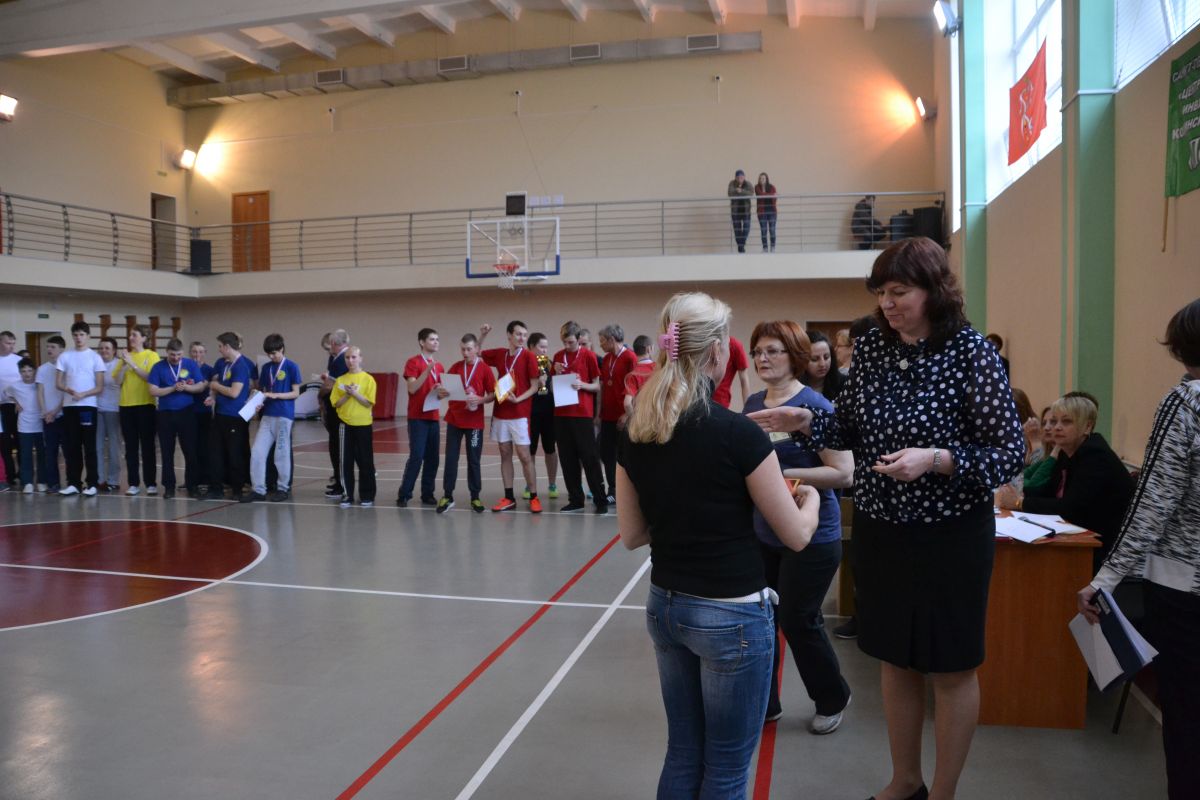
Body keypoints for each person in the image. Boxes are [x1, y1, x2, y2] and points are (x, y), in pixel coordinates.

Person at [747, 237, 1024, 800]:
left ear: (934, 289)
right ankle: (905, 780)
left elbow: (1007, 453)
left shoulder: (971, 352)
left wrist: (937, 459)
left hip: (950, 534)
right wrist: (804, 421)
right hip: (882, 527)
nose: (887, 303)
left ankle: (943, 792)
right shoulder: (873, 345)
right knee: (895, 660)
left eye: (899, 291)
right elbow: (848, 429)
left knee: (951, 667)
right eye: (880, 292)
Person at [617, 291, 821, 799]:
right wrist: (813, 500)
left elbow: (632, 534)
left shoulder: (636, 430)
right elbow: (796, 535)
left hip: (666, 605)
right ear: (715, 353)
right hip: (731, 613)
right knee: (727, 769)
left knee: (684, 752)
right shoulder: (737, 434)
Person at [1076, 298, 1200, 800]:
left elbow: (1155, 501)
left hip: (1185, 587)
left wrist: (1105, 579)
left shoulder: (1186, 402)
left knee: (1188, 717)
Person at [743, 320, 854, 732]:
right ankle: (766, 703)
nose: (763, 359)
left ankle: (833, 696)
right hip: (763, 532)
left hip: (813, 535)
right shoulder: (753, 402)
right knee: (761, 619)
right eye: (758, 352)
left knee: (797, 619)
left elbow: (843, 473)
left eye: (772, 351)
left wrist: (780, 477)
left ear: (794, 356)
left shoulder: (815, 406)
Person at [996, 393, 1135, 567]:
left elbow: (1070, 508)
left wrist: (1019, 502)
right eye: (1054, 421)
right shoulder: (1067, 451)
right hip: (1083, 536)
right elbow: (1046, 491)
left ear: (1087, 426)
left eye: (1066, 422)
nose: (1056, 427)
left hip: (1111, 549)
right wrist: (1016, 494)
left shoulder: (1095, 455)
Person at [479, 321, 543, 513]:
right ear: (509, 335)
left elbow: (535, 386)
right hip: (500, 412)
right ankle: (509, 497)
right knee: (505, 453)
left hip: (520, 413)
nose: (522, 338)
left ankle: (534, 496)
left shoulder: (529, 356)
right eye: (518, 334)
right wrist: (483, 335)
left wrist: (519, 400)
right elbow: (477, 352)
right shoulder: (500, 354)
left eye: (524, 334)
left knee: (524, 455)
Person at [436, 333, 496, 514]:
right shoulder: (455, 367)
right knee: (451, 459)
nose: (465, 353)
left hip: (474, 423)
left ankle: (475, 497)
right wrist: (441, 391)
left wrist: (480, 399)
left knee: (474, 460)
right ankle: (448, 495)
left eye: (469, 349)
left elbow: (493, 394)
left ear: (476, 349)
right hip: (454, 419)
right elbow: (442, 389)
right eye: (463, 349)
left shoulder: (485, 369)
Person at [553, 320, 606, 513]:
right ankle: (576, 499)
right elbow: (549, 385)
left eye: (571, 342)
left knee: (589, 457)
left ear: (578, 338)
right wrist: (555, 373)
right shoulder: (558, 356)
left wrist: (582, 385)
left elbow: (597, 385)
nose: (567, 346)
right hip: (561, 413)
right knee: (567, 458)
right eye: (564, 342)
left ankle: (600, 500)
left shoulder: (588, 356)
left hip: (582, 414)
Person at [146, 338, 206, 500]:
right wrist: (173, 388)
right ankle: (169, 487)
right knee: (167, 452)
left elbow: (201, 386)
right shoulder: (158, 367)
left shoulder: (190, 364)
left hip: (187, 412)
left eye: (179, 355)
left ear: (183, 353)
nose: (176, 358)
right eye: (172, 355)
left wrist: (187, 387)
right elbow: (153, 390)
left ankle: (192, 486)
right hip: (165, 414)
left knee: (190, 451)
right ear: (167, 352)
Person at [248, 333, 302, 502]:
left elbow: (296, 392)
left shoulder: (292, 366)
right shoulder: (266, 368)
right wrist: (257, 402)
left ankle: (283, 488)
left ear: (282, 349)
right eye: (269, 354)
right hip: (267, 416)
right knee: (257, 452)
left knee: (281, 454)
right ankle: (258, 489)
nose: (272, 357)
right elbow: (263, 390)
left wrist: (277, 395)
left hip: (284, 416)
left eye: (274, 353)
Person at [55, 321, 106, 496]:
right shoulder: (65, 357)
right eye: (76, 335)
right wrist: (68, 390)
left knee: (89, 446)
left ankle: (92, 483)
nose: (78, 338)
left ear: (88, 336)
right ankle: (74, 483)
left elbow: (100, 387)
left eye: (82, 334)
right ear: (72, 336)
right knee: (72, 446)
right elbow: (58, 383)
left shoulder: (95, 357)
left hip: (88, 407)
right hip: (70, 407)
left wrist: (83, 394)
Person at [397, 328, 444, 508]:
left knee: (433, 459)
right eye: (432, 339)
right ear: (422, 342)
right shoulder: (413, 362)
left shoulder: (439, 366)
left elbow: (437, 391)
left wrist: (441, 392)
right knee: (417, 456)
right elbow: (412, 388)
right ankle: (404, 494)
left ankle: (427, 493)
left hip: (433, 416)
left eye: (437, 339)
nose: (436, 342)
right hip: (417, 417)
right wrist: (427, 370)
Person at [206, 332, 254, 502]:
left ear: (227, 346)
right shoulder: (224, 364)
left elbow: (234, 392)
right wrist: (212, 396)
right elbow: (219, 385)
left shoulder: (241, 366)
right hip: (220, 414)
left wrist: (215, 386)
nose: (219, 350)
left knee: (235, 454)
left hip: (235, 416)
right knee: (216, 452)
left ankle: (237, 489)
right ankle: (216, 488)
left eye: (220, 346)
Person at [114, 325, 160, 495]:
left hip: (146, 405)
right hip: (126, 406)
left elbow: (151, 378)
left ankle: (151, 483)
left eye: (134, 335)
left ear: (144, 338)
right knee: (131, 447)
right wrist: (124, 365)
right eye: (131, 335)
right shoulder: (126, 356)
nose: (131, 338)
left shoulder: (151, 355)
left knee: (147, 446)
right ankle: (133, 483)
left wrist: (132, 364)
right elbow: (117, 381)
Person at [331, 346, 377, 508]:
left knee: (366, 461)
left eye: (354, 357)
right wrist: (347, 394)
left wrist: (355, 394)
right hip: (345, 425)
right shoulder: (340, 380)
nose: (350, 361)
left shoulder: (368, 379)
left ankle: (367, 495)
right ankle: (347, 494)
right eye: (347, 358)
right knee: (345, 461)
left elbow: (368, 403)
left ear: (360, 358)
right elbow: (336, 403)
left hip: (363, 424)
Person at [597, 324, 637, 503]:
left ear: (612, 339)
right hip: (607, 416)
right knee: (606, 453)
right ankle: (613, 489)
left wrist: (627, 414)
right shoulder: (606, 359)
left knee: (625, 455)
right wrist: (599, 412)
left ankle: (629, 490)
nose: (600, 345)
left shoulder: (630, 357)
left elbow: (636, 387)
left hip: (623, 416)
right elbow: (604, 386)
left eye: (602, 341)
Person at [525, 332, 558, 501]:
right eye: (541, 347)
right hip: (530, 413)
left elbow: (554, 389)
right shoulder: (523, 363)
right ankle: (530, 485)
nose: (545, 350)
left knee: (550, 449)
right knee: (529, 451)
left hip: (548, 413)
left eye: (546, 347)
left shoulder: (550, 364)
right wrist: (536, 383)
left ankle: (552, 484)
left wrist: (554, 380)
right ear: (531, 347)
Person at [3, 358, 43, 492]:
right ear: (20, 372)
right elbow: (6, 393)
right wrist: (16, 402)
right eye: (23, 371)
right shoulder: (15, 386)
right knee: (25, 455)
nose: (27, 374)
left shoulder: (39, 384)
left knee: (42, 454)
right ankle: (27, 482)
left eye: (29, 370)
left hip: (40, 423)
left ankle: (42, 481)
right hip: (24, 425)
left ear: (34, 371)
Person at [321, 329, 351, 499]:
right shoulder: (338, 359)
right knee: (339, 446)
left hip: (338, 410)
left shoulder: (340, 360)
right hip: (340, 409)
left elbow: (329, 386)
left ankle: (341, 484)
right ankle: (340, 481)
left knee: (337, 447)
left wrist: (320, 395)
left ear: (333, 343)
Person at [36, 335, 67, 492]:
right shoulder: (42, 369)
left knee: (69, 451)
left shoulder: (66, 369)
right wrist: (45, 411)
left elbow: (66, 394)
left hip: (64, 416)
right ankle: (53, 483)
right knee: (50, 451)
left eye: (53, 347)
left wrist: (55, 411)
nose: (49, 349)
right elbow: (40, 392)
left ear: (62, 349)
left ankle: (73, 482)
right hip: (48, 418)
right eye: (48, 346)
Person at [96, 337, 122, 492]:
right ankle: (99, 479)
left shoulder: (120, 364)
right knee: (97, 446)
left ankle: (113, 480)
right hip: (96, 409)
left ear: (114, 350)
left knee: (113, 447)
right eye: (101, 348)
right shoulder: (94, 363)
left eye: (107, 348)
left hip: (114, 409)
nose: (103, 351)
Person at [189, 341, 215, 492]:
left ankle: (205, 477)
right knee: (190, 446)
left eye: (200, 352)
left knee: (204, 445)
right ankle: (192, 478)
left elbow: (212, 388)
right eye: (194, 351)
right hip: (188, 411)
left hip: (204, 412)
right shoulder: (185, 368)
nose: (197, 355)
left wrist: (206, 386)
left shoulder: (209, 370)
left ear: (204, 353)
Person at [0, 330, 20, 487]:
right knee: (5, 444)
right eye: (8, 343)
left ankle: (24, 474)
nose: (11, 346)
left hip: (18, 407)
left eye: (13, 343)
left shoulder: (19, 361)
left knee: (21, 442)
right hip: (1, 407)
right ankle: (9, 475)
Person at [803, 329, 844, 402]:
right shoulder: (793, 386)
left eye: (826, 357)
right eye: (814, 359)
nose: (822, 364)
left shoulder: (844, 383)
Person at [712, 335, 750, 409]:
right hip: (698, 400)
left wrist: (747, 410)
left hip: (720, 402)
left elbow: (744, 380)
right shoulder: (703, 342)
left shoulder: (735, 346)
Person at [622, 334, 656, 416]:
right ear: (649, 349)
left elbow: (627, 403)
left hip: (642, 417)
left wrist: (633, 419)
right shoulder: (659, 369)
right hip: (658, 417)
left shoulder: (633, 374)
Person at [727, 169, 755, 253]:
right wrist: (736, 190)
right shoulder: (732, 183)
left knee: (746, 228)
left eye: (741, 177)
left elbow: (751, 193)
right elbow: (730, 193)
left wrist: (741, 191)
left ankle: (741, 245)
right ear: (735, 178)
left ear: (744, 177)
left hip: (746, 211)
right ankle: (741, 247)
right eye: (738, 177)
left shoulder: (748, 184)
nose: (740, 178)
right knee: (737, 230)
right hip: (735, 211)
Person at [755, 172, 778, 252]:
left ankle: (773, 247)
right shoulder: (757, 187)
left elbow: (775, 198)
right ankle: (765, 248)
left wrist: (768, 195)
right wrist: (771, 194)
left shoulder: (772, 187)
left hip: (772, 212)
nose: (762, 180)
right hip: (762, 212)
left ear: (766, 179)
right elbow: (760, 195)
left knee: (772, 230)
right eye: (760, 178)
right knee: (763, 231)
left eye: (763, 178)